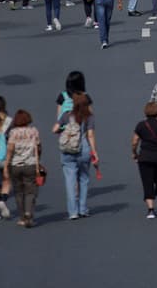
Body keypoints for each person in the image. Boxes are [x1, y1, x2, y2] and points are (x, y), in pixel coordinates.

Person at [53, 92, 97, 220]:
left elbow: (55, 129)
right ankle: (83, 209)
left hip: (68, 151)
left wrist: (64, 129)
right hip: (83, 150)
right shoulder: (89, 117)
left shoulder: (67, 115)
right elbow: (90, 135)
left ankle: (73, 212)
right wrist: (94, 152)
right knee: (83, 179)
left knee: (70, 181)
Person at [2, 109, 41, 228]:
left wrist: (5, 166)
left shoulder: (13, 133)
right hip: (30, 164)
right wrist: (38, 164)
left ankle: (22, 217)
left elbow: (10, 150)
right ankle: (29, 211)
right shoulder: (34, 131)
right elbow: (38, 148)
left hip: (15, 165)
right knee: (30, 190)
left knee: (19, 192)